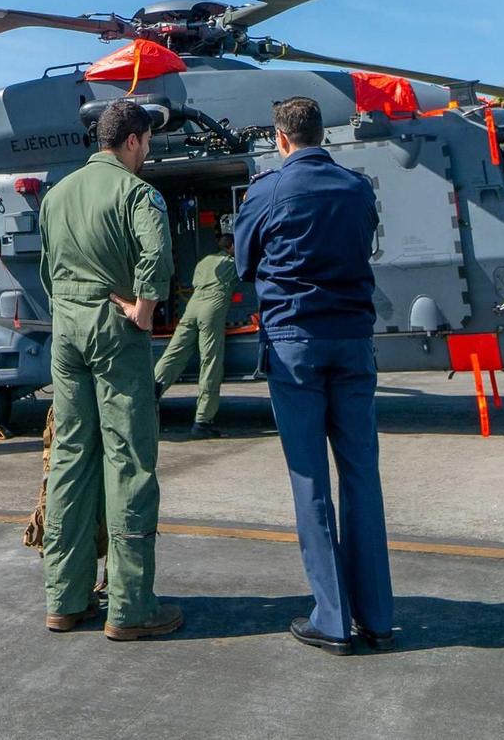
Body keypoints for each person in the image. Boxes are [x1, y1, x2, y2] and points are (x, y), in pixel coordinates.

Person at [234, 95, 393, 656]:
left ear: (280, 139)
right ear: (321, 134)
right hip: (353, 342)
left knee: (310, 480)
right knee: (361, 477)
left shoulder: (266, 191)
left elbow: (244, 263)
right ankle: (376, 615)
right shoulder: (357, 188)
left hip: (294, 345)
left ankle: (332, 618)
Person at [36, 100, 182, 641]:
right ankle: (130, 606)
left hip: (66, 328)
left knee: (71, 459)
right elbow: (157, 255)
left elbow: (48, 270)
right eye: (146, 143)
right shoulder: (138, 193)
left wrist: (70, 312)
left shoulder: (56, 195)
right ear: (134, 141)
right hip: (114, 328)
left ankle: (64, 599)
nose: (147, 153)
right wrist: (144, 308)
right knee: (129, 460)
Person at [153, 226, 236, 439]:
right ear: (232, 247)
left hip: (192, 307)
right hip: (212, 309)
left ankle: (150, 394)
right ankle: (203, 421)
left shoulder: (204, 261)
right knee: (210, 362)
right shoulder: (231, 262)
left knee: (174, 352)